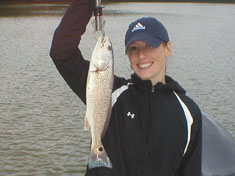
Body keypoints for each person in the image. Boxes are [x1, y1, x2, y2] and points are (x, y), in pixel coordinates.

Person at [50, 0, 202, 175]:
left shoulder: (189, 112)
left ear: (168, 49)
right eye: (133, 48)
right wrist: (86, 4)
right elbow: (62, 52)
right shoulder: (111, 91)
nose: (141, 55)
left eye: (149, 45)